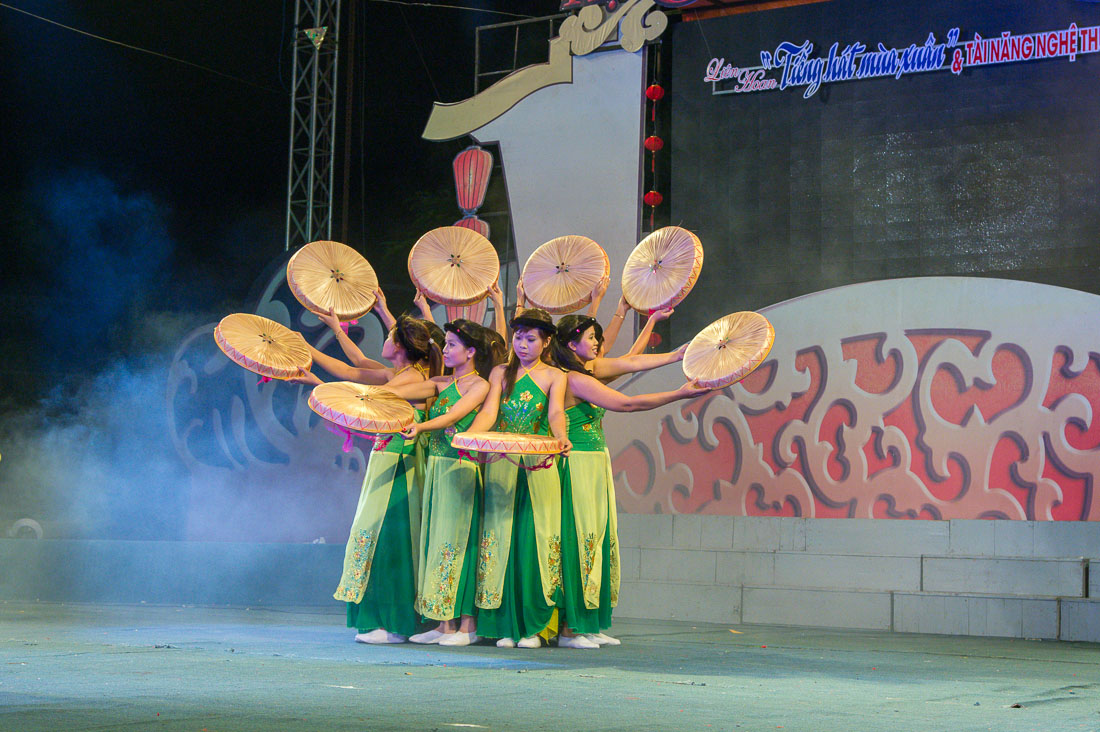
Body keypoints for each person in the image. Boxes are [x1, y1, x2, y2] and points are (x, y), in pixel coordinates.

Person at [550, 314, 709, 648]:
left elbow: (631, 361)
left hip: (594, 462)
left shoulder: (587, 371)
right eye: (591, 338)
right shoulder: (571, 379)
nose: (597, 343)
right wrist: (679, 394)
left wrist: (675, 356)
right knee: (580, 541)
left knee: (596, 540)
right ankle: (570, 628)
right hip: (575, 463)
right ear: (570, 344)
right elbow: (627, 403)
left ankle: (589, 623)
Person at [291, 313, 442, 644]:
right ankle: (388, 621)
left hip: (399, 464)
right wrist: (311, 352)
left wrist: (317, 386)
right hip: (387, 460)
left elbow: (362, 407)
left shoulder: (410, 381)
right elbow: (350, 370)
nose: (384, 341)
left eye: (389, 336)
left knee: (388, 539)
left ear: (399, 346)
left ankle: (392, 622)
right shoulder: (397, 375)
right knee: (380, 537)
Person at [461, 308, 571, 648]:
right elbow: (490, 412)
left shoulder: (555, 375)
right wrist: (467, 439)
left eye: (531, 339)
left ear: (546, 341)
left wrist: (561, 437)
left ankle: (534, 626)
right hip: (502, 462)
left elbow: (555, 412)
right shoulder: (499, 372)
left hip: (539, 463)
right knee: (499, 539)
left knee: (533, 540)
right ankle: (503, 625)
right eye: (518, 338)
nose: (522, 345)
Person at [387, 320, 498, 647]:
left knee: (458, 543)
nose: (445, 350)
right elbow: (394, 391)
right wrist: (354, 395)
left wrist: (421, 428)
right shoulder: (439, 382)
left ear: (471, 351)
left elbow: (453, 417)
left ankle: (467, 625)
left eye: (451, 345)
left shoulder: (478, 386)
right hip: (436, 467)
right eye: (445, 344)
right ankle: (443, 623)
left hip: (460, 467)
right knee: (437, 543)